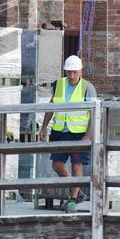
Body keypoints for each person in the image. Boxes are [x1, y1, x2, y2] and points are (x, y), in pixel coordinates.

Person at [39, 55, 96, 213]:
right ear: (65, 71)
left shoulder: (87, 87)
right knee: (57, 164)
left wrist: (87, 136)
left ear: (80, 72)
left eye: (75, 72)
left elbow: (94, 114)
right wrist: (44, 127)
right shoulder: (58, 84)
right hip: (59, 131)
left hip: (78, 133)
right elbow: (52, 106)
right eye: (69, 72)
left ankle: (72, 199)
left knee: (77, 165)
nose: (71, 76)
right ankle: (76, 192)